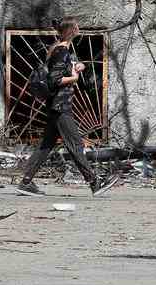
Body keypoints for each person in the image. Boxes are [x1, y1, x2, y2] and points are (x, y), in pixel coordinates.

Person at [16, 18, 119, 197]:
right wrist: (74, 78)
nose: (79, 28)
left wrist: (78, 66)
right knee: (75, 144)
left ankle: (26, 182)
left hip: (57, 105)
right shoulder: (61, 51)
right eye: (77, 26)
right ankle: (95, 183)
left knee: (45, 146)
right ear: (72, 30)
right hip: (60, 106)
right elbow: (54, 80)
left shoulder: (61, 51)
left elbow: (64, 68)